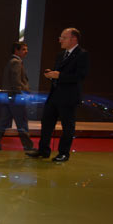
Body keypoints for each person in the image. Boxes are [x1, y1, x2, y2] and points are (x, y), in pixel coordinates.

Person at [27, 28, 89, 162]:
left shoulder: (82, 54)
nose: (60, 40)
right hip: (55, 95)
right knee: (47, 123)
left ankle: (63, 153)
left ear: (73, 39)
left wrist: (59, 75)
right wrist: (52, 75)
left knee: (67, 126)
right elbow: (59, 75)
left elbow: (80, 76)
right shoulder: (61, 55)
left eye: (63, 37)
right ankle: (43, 150)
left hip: (69, 97)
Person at [0, 41, 34, 151]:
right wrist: (23, 94)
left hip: (9, 97)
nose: (26, 51)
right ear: (17, 50)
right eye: (24, 49)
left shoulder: (12, 61)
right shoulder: (16, 62)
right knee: (22, 124)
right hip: (16, 98)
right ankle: (28, 147)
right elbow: (16, 82)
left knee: (3, 122)